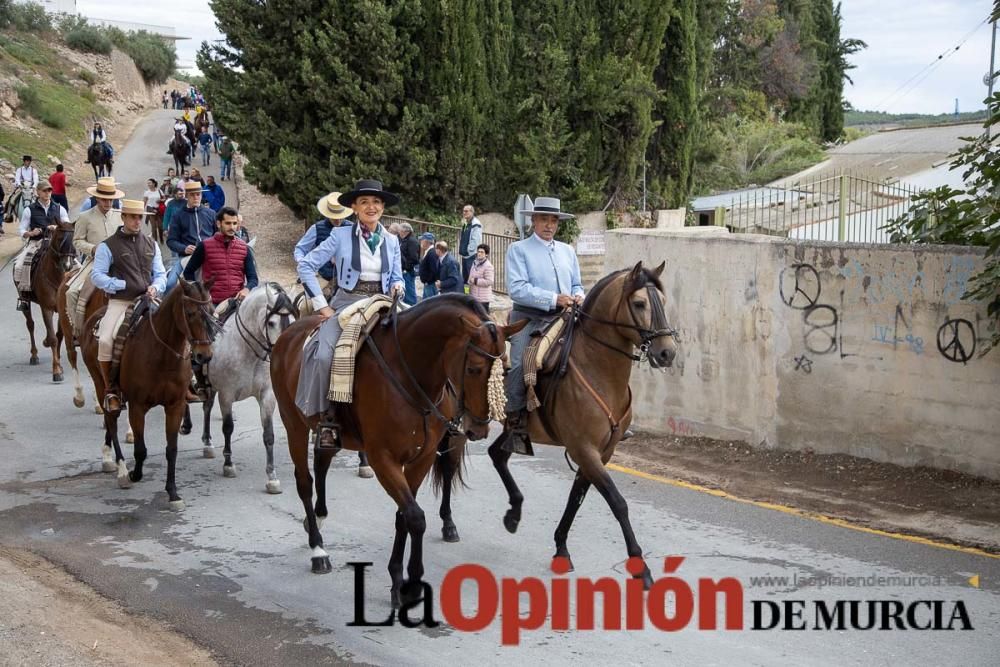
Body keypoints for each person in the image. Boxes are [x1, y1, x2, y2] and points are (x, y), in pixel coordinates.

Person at [295, 178, 404, 449]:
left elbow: (397, 275)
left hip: (382, 301)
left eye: (376, 202)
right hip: (347, 302)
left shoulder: (391, 240)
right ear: (354, 207)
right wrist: (322, 305)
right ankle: (327, 420)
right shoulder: (339, 235)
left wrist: (397, 286)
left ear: (382, 208)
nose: (371, 207)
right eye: (365, 202)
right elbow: (306, 266)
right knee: (323, 356)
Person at [504, 196, 584, 452]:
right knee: (519, 363)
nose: (549, 225)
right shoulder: (519, 250)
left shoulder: (567, 251)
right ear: (533, 221)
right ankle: (515, 421)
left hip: (564, 316)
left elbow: (576, 284)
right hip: (529, 317)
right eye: (544, 219)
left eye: (553, 220)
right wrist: (553, 298)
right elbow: (517, 289)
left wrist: (580, 295)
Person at [90, 199, 166, 412]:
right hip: (121, 302)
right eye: (133, 216)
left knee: (178, 328)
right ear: (123, 217)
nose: (137, 221)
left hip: (148, 299)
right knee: (105, 339)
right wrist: (119, 284)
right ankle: (111, 390)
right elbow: (97, 275)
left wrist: (156, 286)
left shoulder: (152, 243)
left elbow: (160, 273)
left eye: (140, 217)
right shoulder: (108, 245)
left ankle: (185, 383)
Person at [66, 177, 126, 334]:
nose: (108, 203)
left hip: (120, 261)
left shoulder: (121, 216)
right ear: (97, 198)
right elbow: (77, 241)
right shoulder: (85, 216)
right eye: (104, 199)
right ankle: (77, 330)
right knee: (71, 292)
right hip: (95, 262)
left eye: (111, 199)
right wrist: (93, 249)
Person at [183, 206, 258, 319]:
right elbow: (188, 272)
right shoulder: (205, 246)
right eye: (228, 223)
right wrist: (199, 293)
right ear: (219, 224)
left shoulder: (244, 248)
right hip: (212, 305)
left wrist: (247, 289)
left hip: (237, 303)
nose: (232, 227)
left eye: (234, 223)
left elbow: (253, 278)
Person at [13, 179, 71, 311]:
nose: (47, 193)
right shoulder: (29, 209)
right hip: (36, 242)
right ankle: (24, 298)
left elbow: (67, 224)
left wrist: (56, 227)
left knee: (76, 266)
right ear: (38, 192)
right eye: (44, 190)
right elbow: (21, 230)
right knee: (19, 266)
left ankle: (74, 294)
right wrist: (30, 233)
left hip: (55, 243)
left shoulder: (59, 208)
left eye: (49, 190)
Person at [294, 191, 353, 295]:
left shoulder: (352, 228)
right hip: (324, 278)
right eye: (334, 216)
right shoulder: (316, 228)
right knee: (305, 306)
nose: (338, 220)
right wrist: (303, 263)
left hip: (349, 279)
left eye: (340, 216)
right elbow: (300, 249)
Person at [165, 181, 216, 292]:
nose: (196, 197)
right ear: (186, 196)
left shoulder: (211, 214)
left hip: (209, 257)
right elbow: (171, 241)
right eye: (192, 195)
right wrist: (184, 248)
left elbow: (217, 235)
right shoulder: (178, 216)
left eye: (198, 194)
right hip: (186, 258)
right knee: (170, 284)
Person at [458, 204, 483, 283]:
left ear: (472, 212)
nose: (464, 213)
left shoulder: (476, 224)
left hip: (471, 256)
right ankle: (466, 294)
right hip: (465, 255)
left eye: (466, 211)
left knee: (471, 278)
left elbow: (476, 241)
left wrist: (469, 251)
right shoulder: (466, 223)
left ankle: (472, 295)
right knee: (465, 278)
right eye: (463, 211)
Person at [467, 243, 495, 312]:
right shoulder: (475, 263)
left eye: (482, 252)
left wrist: (475, 281)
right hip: (474, 296)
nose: (479, 254)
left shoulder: (488, 266)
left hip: (483, 299)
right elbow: (471, 276)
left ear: (486, 254)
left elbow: (489, 281)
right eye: (478, 252)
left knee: (483, 319)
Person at [397, 222, 420, 305]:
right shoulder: (404, 240)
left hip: (408, 272)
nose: (398, 232)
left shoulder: (412, 241)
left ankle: (412, 310)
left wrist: (406, 267)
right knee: (405, 293)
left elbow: (414, 258)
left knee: (409, 294)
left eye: (400, 230)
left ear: (405, 231)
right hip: (404, 270)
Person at [417, 231, 439, 299]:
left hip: (430, 284)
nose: (420, 242)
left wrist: (428, 281)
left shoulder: (431, 253)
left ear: (427, 242)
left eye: (422, 240)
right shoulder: (429, 251)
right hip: (428, 284)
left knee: (430, 304)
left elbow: (434, 270)